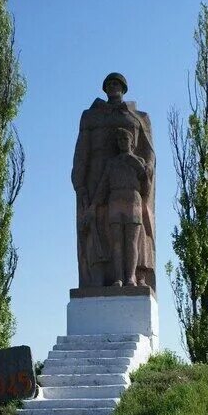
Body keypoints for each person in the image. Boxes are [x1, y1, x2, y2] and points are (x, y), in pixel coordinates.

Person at [71, 73, 156, 288]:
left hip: (129, 183)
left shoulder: (138, 117)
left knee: (132, 236)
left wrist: (146, 169)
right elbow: (81, 152)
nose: (113, 87)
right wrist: (80, 183)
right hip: (96, 178)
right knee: (98, 232)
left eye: (117, 83)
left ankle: (134, 276)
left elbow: (149, 152)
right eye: (109, 84)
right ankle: (97, 279)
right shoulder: (91, 116)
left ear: (124, 88)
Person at [86, 128, 151, 286]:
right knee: (116, 242)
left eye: (125, 140)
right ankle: (119, 278)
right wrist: (93, 205)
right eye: (119, 140)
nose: (122, 143)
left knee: (131, 241)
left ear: (132, 142)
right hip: (115, 200)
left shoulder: (139, 161)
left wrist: (139, 166)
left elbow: (146, 188)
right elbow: (103, 186)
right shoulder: (112, 163)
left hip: (132, 199)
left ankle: (130, 277)